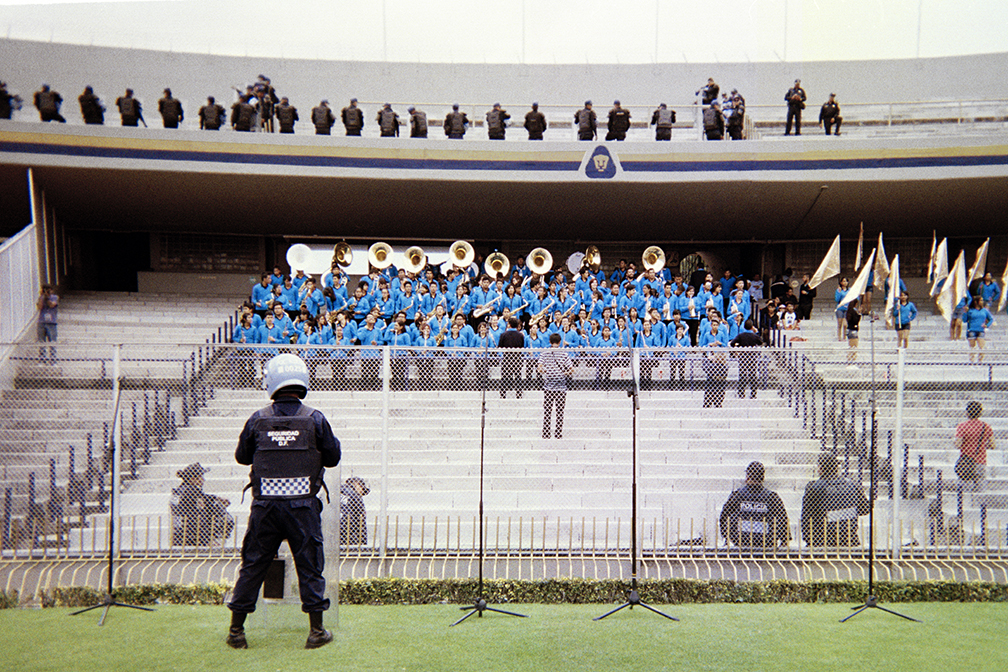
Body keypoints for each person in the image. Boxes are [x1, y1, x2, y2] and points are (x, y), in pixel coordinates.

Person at [226, 354, 341, 650]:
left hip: (265, 508)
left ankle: (236, 631)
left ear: (271, 382)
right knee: (310, 567)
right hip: (302, 507)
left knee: (253, 565)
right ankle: (316, 632)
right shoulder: (315, 418)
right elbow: (333, 457)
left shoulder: (257, 418)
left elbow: (242, 457)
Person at [800, 453, 869, 547]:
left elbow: (807, 516)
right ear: (837, 468)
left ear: (820, 468)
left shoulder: (814, 487)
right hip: (849, 538)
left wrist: (809, 539)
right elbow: (864, 510)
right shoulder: (853, 485)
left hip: (822, 539)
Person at [719, 461, 789, 549]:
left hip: (741, 541)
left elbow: (724, 516)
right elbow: (783, 519)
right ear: (763, 477)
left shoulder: (737, 495)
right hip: (766, 541)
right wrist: (784, 540)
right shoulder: (771, 497)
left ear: (747, 476)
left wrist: (726, 536)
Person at [171, 463, 234, 546]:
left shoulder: (182, 490)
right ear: (193, 479)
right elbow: (197, 518)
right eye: (201, 477)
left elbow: (204, 497)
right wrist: (207, 539)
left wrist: (216, 498)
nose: (203, 480)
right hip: (191, 536)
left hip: (180, 534)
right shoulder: (191, 492)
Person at [538, 332, 573, 439]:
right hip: (561, 385)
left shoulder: (545, 353)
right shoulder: (563, 354)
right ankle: (558, 432)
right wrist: (564, 373)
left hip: (548, 385)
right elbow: (571, 369)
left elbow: (539, 367)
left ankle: (546, 432)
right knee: (560, 410)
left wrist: (544, 370)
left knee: (547, 410)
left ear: (550, 342)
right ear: (559, 342)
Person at [955, 401, 995, 490]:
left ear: (967, 412)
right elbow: (992, 445)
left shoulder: (962, 426)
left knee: (965, 490)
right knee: (980, 489)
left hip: (966, 462)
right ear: (980, 413)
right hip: (980, 460)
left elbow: (958, 444)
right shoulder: (986, 426)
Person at [699, 314, 729, 407]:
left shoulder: (722, 334)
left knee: (720, 382)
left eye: (716, 325)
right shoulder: (707, 334)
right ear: (711, 325)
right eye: (713, 325)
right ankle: (707, 402)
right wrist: (709, 345)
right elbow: (703, 345)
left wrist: (720, 344)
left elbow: (726, 345)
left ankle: (718, 402)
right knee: (710, 381)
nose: (715, 326)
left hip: (720, 359)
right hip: (710, 359)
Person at [730, 322, 762, 399]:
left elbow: (732, 343)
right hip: (752, 357)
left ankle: (741, 392)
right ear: (752, 327)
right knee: (752, 375)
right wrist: (756, 332)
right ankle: (753, 393)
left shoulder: (741, 336)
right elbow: (761, 342)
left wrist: (737, 348)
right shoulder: (754, 336)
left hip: (743, 357)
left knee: (742, 374)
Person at [498, 317, 525, 398]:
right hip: (517, 358)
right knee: (517, 376)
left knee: (505, 376)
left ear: (509, 324)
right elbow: (521, 346)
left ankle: (503, 394)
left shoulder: (503, 335)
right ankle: (519, 394)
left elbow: (500, 347)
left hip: (507, 358)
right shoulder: (520, 335)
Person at [339, 476, 370, 545]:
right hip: (348, 530)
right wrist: (363, 542)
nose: (362, 493)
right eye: (362, 489)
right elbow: (361, 520)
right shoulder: (355, 496)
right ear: (356, 484)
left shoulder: (335, 491)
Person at [36, 284, 59, 364]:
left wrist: (47, 298)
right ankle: (42, 359)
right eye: (45, 289)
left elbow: (52, 305)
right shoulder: (41, 297)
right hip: (42, 322)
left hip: (51, 323)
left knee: (52, 342)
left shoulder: (54, 297)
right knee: (41, 342)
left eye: (48, 290)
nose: (47, 291)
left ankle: (53, 360)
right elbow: (39, 307)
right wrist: (42, 297)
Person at [845, 298, 861, 366]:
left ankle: (850, 361)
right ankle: (851, 361)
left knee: (851, 347)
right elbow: (855, 321)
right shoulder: (853, 312)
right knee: (854, 347)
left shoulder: (848, 311)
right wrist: (859, 314)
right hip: (853, 330)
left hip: (849, 329)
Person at [834, 277, 850, 342]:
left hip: (847, 308)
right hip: (840, 308)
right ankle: (839, 336)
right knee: (840, 323)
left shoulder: (849, 290)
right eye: (843, 281)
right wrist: (839, 292)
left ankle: (844, 337)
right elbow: (837, 299)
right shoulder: (838, 290)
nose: (845, 283)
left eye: (846, 281)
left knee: (845, 324)